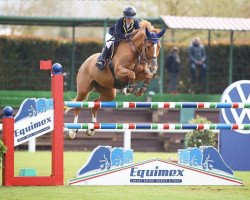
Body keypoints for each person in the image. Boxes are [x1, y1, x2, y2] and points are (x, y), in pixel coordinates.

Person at [96, 6, 140, 70]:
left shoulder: (136, 22)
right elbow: (118, 34)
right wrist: (128, 35)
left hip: (125, 37)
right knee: (110, 44)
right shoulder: (120, 21)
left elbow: (138, 32)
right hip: (113, 35)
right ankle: (101, 60)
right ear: (125, 17)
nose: (129, 20)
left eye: (131, 18)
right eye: (127, 18)